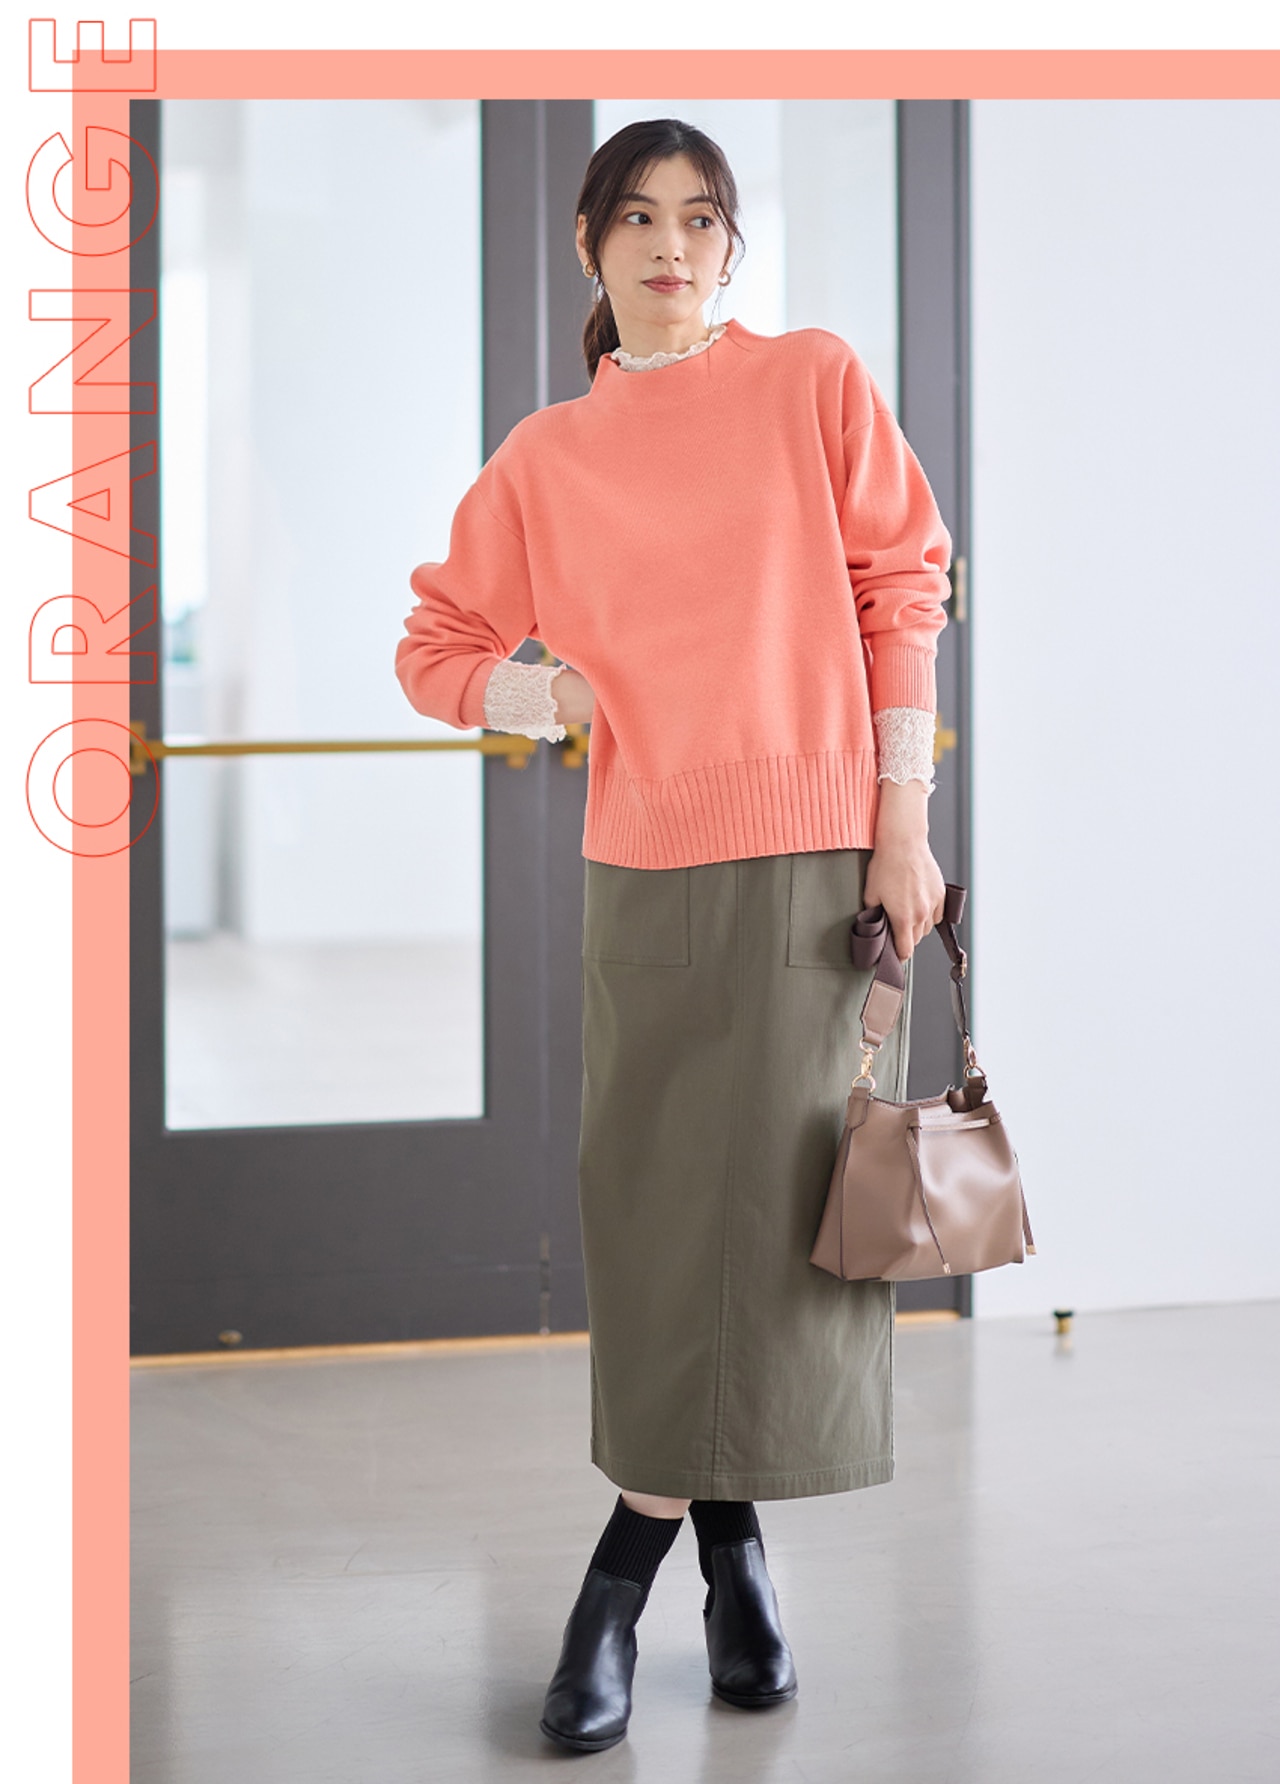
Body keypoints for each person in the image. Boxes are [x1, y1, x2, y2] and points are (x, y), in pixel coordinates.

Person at [394, 118, 951, 1755]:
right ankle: (733, 1558)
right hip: (642, 873)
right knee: (654, 1226)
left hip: (816, 863)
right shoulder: (547, 458)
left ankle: (617, 1584)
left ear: (731, 245)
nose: (669, 247)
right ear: (591, 244)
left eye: (700, 219)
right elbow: (433, 646)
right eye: (636, 218)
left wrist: (902, 822)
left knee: (778, 1224)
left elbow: (901, 588)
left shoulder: (810, 382)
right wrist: (547, 695)